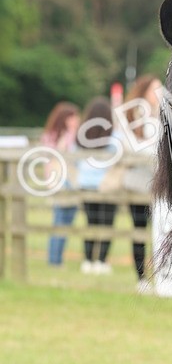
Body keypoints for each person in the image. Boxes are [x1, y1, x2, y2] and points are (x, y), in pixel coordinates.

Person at [118, 74, 163, 291]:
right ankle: (141, 278)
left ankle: (161, 276)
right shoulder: (132, 117)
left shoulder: (163, 117)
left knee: (160, 231)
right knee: (139, 230)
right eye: (154, 89)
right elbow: (131, 147)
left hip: (157, 184)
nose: (159, 94)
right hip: (137, 183)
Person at [76, 95, 119, 274]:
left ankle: (87, 260)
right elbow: (119, 159)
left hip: (86, 183)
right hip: (106, 184)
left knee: (90, 222)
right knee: (107, 224)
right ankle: (101, 261)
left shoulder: (81, 135)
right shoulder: (114, 137)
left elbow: (74, 158)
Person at [41, 101, 80, 265]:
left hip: (73, 181)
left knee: (67, 223)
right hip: (59, 182)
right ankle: (54, 260)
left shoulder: (77, 135)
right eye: (73, 117)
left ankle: (58, 258)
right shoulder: (52, 136)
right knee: (59, 221)